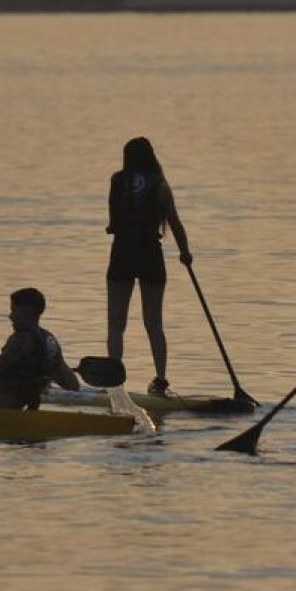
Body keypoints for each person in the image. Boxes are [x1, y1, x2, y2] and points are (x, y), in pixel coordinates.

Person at [105, 137, 192, 398]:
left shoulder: (117, 180)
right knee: (154, 323)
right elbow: (174, 223)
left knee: (115, 324)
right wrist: (185, 252)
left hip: (122, 252)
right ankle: (161, 381)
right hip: (149, 254)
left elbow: (113, 220)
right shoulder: (160, 184)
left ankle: (114, 382)